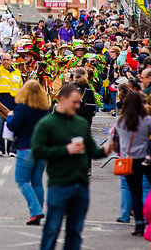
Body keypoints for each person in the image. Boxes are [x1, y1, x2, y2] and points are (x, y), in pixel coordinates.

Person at [32, 83, 112, 250]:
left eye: (79, 103)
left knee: (75, 231)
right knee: (52, 228)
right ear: (62, 99)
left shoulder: (81, 123)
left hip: (81, 185)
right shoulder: (47, 123)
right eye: (75, 102)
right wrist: (65, 150)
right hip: (59, 183)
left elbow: (92, 151)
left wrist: (106, 150)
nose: (78, 106)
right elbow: (38, 151)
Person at [7, 79, 51, 226]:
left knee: (21, 180)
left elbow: (13, 126)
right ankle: (36, 213)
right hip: (42, 147)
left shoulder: (23, 108)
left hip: (26, 147)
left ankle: (36, 210)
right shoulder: (45, 110)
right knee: (37, 182)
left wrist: (10, 117)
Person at [113, 90, 151, 237]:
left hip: (128, 159)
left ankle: (138, 224)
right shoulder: (146, 120)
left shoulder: (120, 121)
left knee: (135, 193)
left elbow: (116, 140)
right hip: (144, 158)